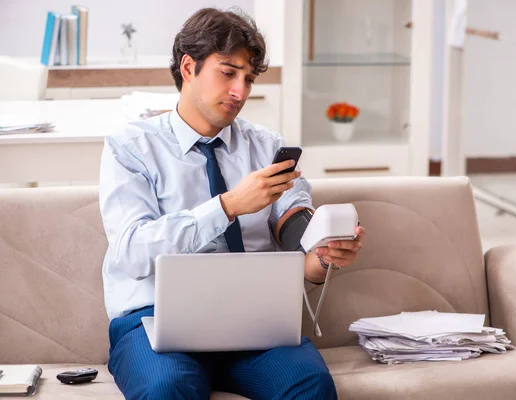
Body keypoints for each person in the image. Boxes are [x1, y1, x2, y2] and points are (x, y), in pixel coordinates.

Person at [99, 7, 365, 400]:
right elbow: (132, 253)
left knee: (310, 384)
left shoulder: (266, 147)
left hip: (254, 320)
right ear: (188, 68)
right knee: (165, 388)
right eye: (228, 72)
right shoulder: (131, 148)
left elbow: (297, 234)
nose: (241, 91)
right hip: (154, 320)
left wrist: (325, 256)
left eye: (249, 78)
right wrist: (227, 205)